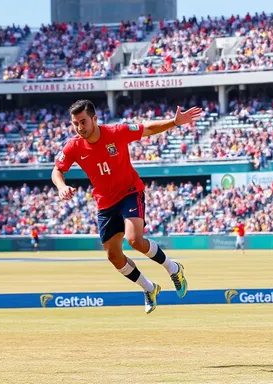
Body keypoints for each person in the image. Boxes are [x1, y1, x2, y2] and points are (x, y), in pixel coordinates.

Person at [53, 100, 202, 314]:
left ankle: (173, 268)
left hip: (130, 192)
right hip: (105, 202)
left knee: (134, 240)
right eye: (75, 123)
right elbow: (57, 170)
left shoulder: (116, 132)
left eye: (83, 121)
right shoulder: (73, 146)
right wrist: (61, 186)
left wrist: (175, 122)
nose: (79, 127)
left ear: (95, 119)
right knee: (113, 256)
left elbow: (147, 128)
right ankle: (149, 288)